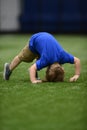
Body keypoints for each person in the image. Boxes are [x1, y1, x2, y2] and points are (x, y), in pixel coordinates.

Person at [3, 32, 81, 83]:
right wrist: (33, 81)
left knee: (40, 58)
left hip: (45, 36)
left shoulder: (63, 57)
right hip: (35, 40)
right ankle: (9, 68)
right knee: (23, 57)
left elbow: (77, 61)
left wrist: (77, 75)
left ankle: (35, 73)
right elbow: (32, 69)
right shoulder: (46, 60)